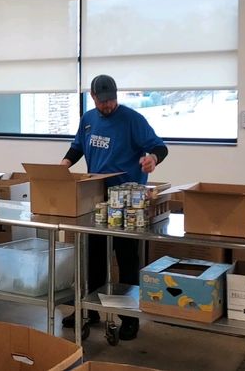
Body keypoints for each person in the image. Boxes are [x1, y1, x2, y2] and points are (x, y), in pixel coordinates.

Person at [60, 75, 168, 341]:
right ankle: (92, 310)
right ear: (93, 97)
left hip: (127, 200)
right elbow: (77, 148)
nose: (108, 106)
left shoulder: (132, 119)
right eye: (102, 101)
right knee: (93, 255)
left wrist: (152, 159)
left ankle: (129, 318)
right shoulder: (88, 119)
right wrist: (63, 165)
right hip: (95, 196)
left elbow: (159, 146)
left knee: (127, 257)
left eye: (111, 100)